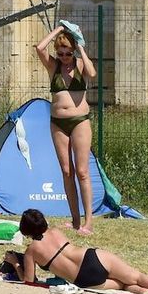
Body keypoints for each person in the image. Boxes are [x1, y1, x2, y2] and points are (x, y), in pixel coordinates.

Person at [18, 209, 148, 294]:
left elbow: (29, 281)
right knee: (135, 275)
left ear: (26, 230)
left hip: (84, 280)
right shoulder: (55, 231)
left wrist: (15, 263)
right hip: (91, 257)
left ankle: (144, 292)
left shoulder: (31, 251)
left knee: (123, 285)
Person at [34, 23, 98, 233]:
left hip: (80, 121)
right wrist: (59, 30)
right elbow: (39, 48)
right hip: (58, 123)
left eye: (67, 53)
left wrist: (80, 48)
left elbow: (92, 73)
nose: (64, 57)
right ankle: (75, 220)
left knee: (82, 171)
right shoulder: (54, 67)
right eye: (60, 53)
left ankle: (88, 222)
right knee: (66, 171)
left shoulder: (79, 64)